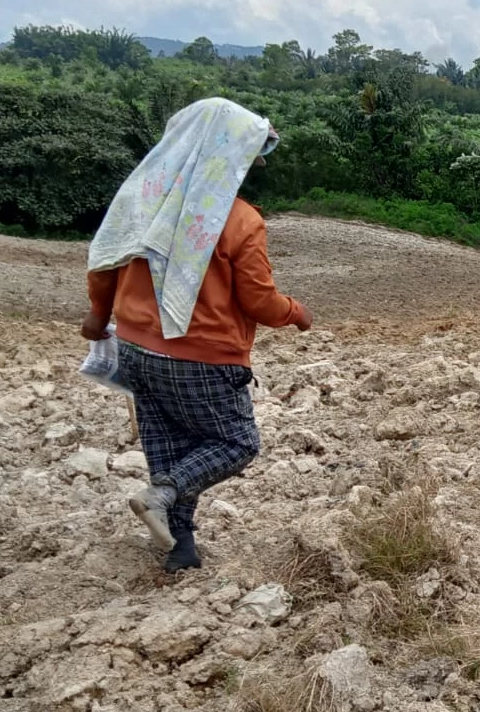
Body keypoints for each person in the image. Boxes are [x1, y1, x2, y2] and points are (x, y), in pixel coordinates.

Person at [81, 97, 312, 572]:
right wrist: (295, 313)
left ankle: (179, 549)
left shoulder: (145, 200)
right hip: (203, 356)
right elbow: (258, 303)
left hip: (136, 348)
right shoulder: (240, 219)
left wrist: (97, 315)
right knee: (236, 443)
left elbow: (106, 262)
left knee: (169, 444)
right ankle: (162, 495)